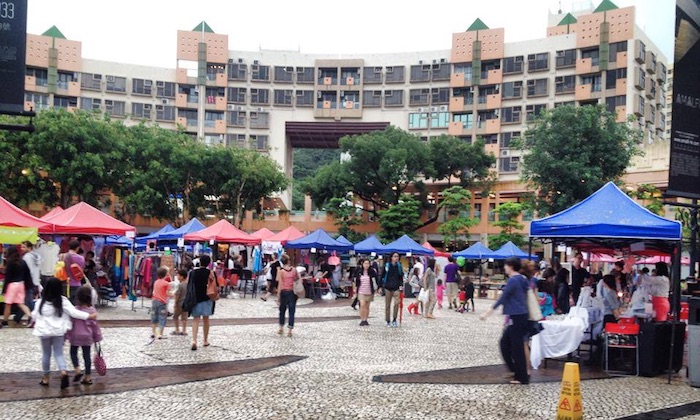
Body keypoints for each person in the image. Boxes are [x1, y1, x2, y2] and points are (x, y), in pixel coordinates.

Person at [32, 278, 97, 389]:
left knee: (46, 354)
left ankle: (46, 378)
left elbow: (34, 315)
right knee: (59, 354)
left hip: (44, 332)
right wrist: (89, 316)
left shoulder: (40, 302)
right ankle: (63, 371)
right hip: (58, 331)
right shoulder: (63, 301)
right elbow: (74, 313)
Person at [480, 257, 530, 385]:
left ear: (511, 266)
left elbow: (503, 298)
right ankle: (517, 371)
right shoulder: (523, 279)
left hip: (516, 316)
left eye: (506, 265)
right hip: (521, 315)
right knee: (506, 343)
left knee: (515, 346)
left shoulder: (513, 281)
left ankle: (521, 376)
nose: (504, 268)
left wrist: (488, 313)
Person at [66, 286, 102, 385]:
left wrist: (67, 336)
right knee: (86, 355)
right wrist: (97, 337)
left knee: (73, 352)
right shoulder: (92, 311)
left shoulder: (74, 310)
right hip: (87, 336)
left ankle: (77, 369)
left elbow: (70, 323)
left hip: (75, 335)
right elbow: (95, 326)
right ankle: (88, 376)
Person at [188, 255, 215, 350]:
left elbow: (189, 286)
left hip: (196, 298)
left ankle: (194, 340)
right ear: (209, 263)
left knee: (195, 320)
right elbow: (216, 286)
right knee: (206, 319)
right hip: (207, 298)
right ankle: (205, 340)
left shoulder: (193, 273)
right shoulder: (211, 273)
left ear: (199, 261)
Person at [2, 246, 33, 326]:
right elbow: (27, 274)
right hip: (21, 284)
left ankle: (5, 320)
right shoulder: (22, 261)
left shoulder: (10, 262)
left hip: (12, 285)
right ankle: (30, 316)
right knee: (21, 303)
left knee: (8, 304)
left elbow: (8, 277)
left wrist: (4, 289)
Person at [17, 241, 41, 325]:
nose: (22, 249)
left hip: (28, 281)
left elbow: (27, 271)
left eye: (24, 247)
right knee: (25, 301)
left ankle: (35, 317)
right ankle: (17, 318)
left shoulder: (26, 257)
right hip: (35, 280)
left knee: (28, 301)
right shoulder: (37, 256)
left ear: (29, 247)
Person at [276, 254, 299, 336]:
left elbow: (280, 284)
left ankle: (281, 328)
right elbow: (297, 279)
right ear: (288, 261)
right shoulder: (294, 270)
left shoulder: (281, 272)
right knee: (292, 311)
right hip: (292, 292)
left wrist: (278, 296)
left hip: (284, 292)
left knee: (282, 311)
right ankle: (290, 330)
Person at [381, 252, 403, 327]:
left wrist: (401, 285)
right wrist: (380, 286)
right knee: (388, 304)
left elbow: (401, 276)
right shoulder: (387, 265)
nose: (396, 258)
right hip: (388, 287)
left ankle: (394, 319)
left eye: (397, 256)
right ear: (391, 257)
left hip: (396, 287)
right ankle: (388, 320)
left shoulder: (399, 266)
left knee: (397, 303)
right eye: (395, 256)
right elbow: (382, 275)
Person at [354, 258, 379, 326]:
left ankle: (366, 319)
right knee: (362, 305)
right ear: (362, 264)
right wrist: (355, 288)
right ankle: (362, 319)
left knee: (367, 306)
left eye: (368, 263)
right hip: (361, 291)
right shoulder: (359, 271)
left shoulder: (372, 271)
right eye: (365, 263)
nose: (366, 265)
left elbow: (376, 280)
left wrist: (378, 288)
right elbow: (356, 280)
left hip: (369, 291)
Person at [150, 267, 171, 340]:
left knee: (154, 317)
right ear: (165, 275)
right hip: (162, 302)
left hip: (154, 301)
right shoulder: (166, 283)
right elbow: (168, 293)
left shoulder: (156, 282)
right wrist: (172, 294)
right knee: (162, 317)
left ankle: (153, 332)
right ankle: (160, 333)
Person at [171, 269, 189, 336]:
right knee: (184, 318)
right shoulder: (188, 285)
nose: (177, 276)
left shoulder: (180, 285)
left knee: (175, 317)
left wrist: (175, 303)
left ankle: (177, 329)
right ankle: (184, 330)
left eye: (178, 275)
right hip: (186, 304)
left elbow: (177, 295)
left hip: (179, 304)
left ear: (181, 276)